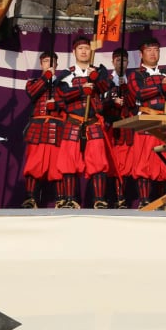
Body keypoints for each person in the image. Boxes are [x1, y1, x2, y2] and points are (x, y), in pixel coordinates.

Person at [54, 35, 114, 208]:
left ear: (91, 51)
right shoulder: (67, 74)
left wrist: (94, 78)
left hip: (92, 122)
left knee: (98, 162)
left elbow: (105, 87)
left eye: (87, 48)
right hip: (73, 122)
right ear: (74, 52)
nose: (84, 51)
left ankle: (99, 200)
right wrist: (82, 89)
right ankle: (70, 199)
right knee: (69, 162)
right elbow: (62, 95)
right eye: (80, 48)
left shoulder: (99, 71)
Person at [126, 36, 166, 206]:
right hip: (147, 121)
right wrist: (159, 88)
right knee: (145, 161)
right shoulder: (136, 74)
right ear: (141, 54)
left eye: (156, 50)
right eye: (148, 50)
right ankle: (144, 199)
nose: (153, 53)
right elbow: (138, 93)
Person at [21, 51, 64, 208]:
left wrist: (57, 103)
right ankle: (30, 198)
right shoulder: (33, 82)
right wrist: (46, 76)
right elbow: (32, 93)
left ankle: (61, 199)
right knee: (34, 164)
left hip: (56, 130)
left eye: (52, 61)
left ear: (57, 65)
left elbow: (67, 103)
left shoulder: (62, 85)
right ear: (41, 64)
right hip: (38, 130)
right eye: (46, 61)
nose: (49, 64)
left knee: (58, 166)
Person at [102, 47, 134, 207]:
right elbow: (100, 104)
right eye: (118, 60)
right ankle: (109, 198)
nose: (121, 63)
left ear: (128, 62)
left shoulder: (132, 80)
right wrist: (112, 101)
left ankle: (122, 198)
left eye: (124, 60)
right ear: (113, 61)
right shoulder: (106, 80)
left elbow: (136, 104)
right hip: (111, 127)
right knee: (111, 163)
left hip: (127, 128)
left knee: (126, 164)